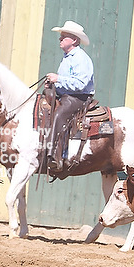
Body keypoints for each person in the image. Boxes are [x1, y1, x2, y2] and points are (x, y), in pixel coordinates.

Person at [45, 20, 95, 172]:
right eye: (61, 36)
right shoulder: (67, 57)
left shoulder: (80, 58)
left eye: (64, 37)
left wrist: (58, 79)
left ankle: (55, 156)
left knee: (59, 115)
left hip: (78, 98)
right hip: (67, 95)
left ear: (74, 40)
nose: (60, 39)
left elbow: (80, 84)